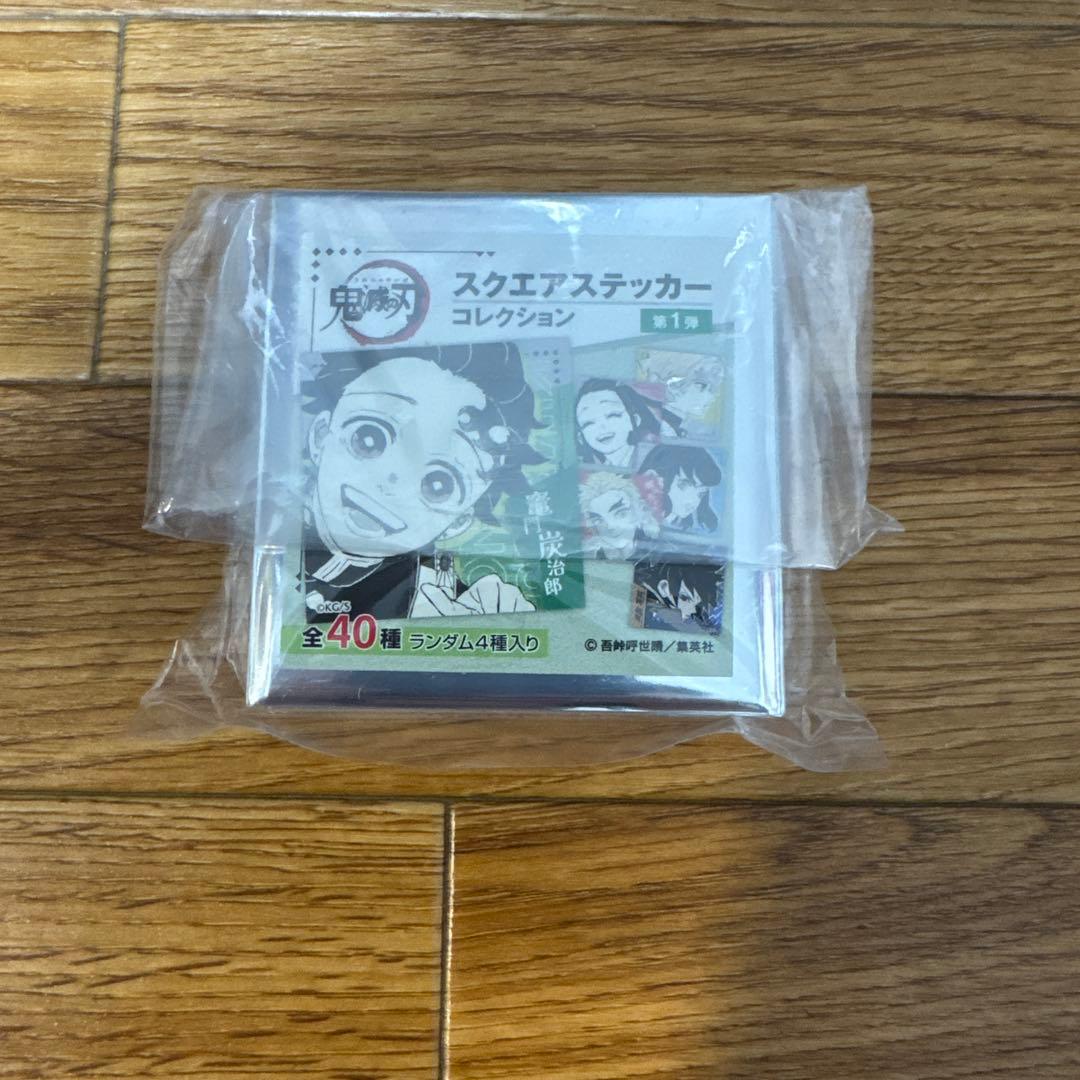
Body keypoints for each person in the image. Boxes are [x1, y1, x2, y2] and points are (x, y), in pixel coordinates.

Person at [299, 342, 542, 620]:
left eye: (438, 485)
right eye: (369, 439)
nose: (392, 481)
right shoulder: (269, 537)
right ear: (321, 435)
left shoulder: (445, 604)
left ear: (459, 521)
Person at [574, 378, 677, 467]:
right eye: (588, 423)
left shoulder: (654, 460)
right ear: (580, 437)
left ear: (635, 420)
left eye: (612, 415)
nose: (601, 427)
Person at [637, 350, 723, 436]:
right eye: (702, 386)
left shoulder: (683, 428)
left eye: (714, 389)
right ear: (673, 385)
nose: (712, 396)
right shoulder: (656, 429)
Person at [638, 444, 722, 532]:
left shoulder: (686, 526)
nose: (693, 501)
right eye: (684, 485)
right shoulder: (639, 516)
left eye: (701, 494)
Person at [579, 471, 659, 561]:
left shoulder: (659, 552)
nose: (610, 526)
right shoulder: (587, 557)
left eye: (620, 514)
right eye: (599, 521)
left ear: (636, 511)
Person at [633, 558, 725, 634]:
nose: (692, 610)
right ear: (664, 587)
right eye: (685, 598)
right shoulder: (642, 592)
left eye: (698, 603)